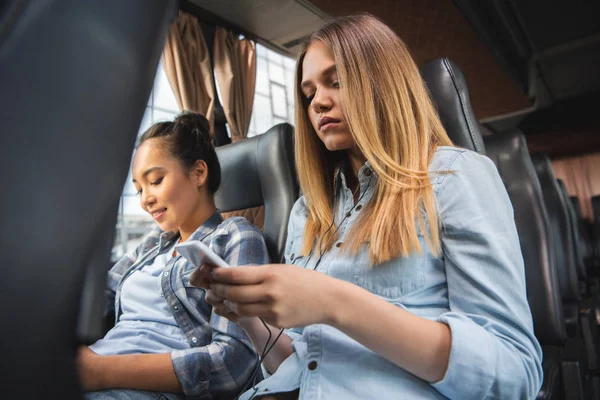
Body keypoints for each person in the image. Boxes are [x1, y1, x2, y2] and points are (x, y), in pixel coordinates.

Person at [192, 13, 543, 400]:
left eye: (336, 82)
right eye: (309, 94)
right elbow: (304, 365)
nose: (318, 103)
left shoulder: (454, 178)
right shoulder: (308, 212)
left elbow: (515, 374)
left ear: (385, 81)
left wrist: (332, 301)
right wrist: (249, 320)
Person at [77, 112, 270, 400]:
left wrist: (101, 371)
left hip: (140, 388)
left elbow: (234, 363)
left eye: (155, 181)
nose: (145, 199)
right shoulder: (151, 247)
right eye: (139, 189)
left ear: (198, 173)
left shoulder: (237, 236)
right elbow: (97, 297)